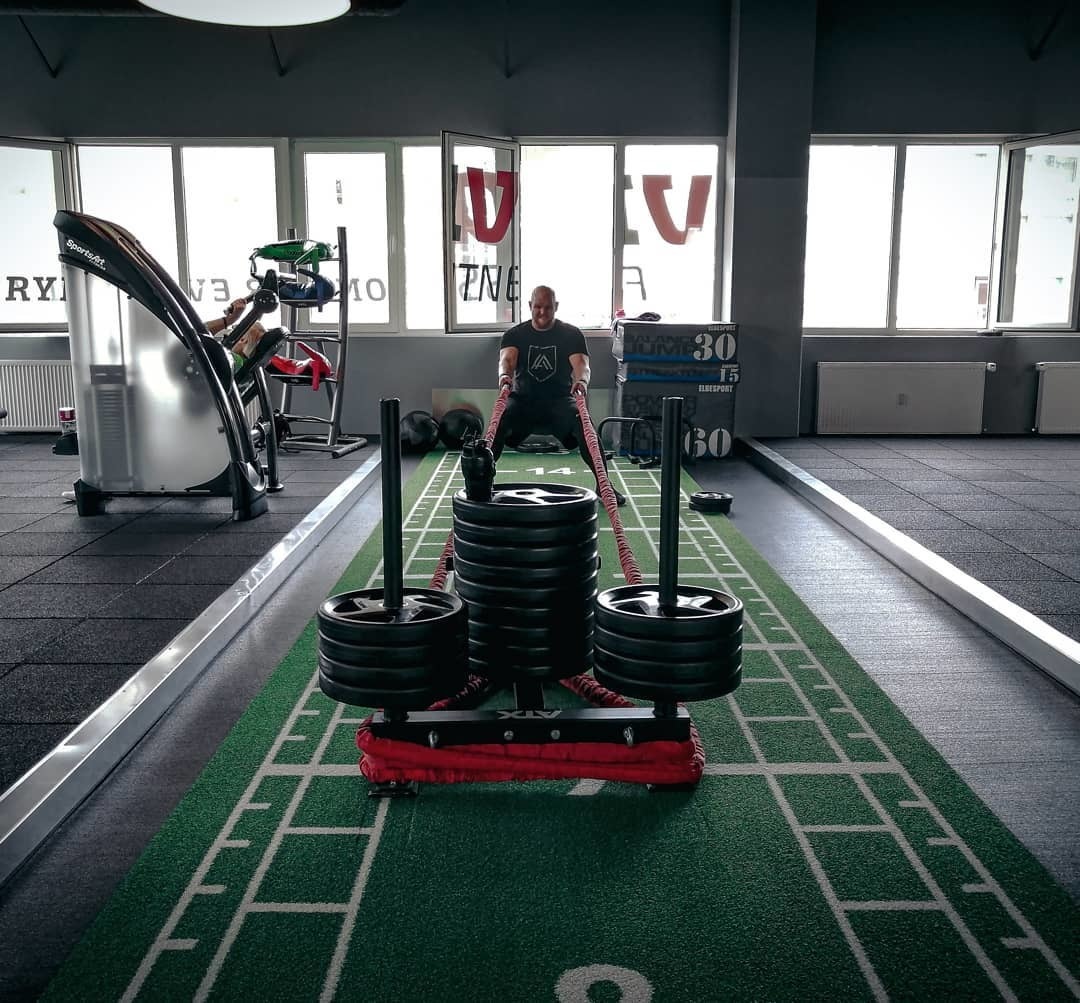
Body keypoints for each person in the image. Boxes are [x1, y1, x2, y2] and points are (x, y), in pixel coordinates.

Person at [493, 285, 626, 506]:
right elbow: (506, 360)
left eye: (547, 307)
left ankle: (604, 486)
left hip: (560, 402)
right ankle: (481, 483)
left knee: (587, 428)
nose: (542, 312)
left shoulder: (570, 334)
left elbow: (582, 365)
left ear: (556, 307)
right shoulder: (515, 334)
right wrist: (504, 376)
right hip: (524, 402)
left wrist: (581, 381)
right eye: (537, 307)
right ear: (530, 306)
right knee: (497, 423)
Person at [204, 298, 268, 372]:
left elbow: (197, 332)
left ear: (243, 340)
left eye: (234, 330)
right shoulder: (245, 369)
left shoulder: (232, 359)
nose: (228, 334)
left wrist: (230, 319)